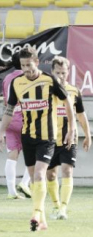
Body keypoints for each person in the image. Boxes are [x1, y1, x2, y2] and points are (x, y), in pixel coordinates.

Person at [0, 47, 75, 231]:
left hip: (47, 137)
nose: (26, 69)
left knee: (40, 174)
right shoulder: (17, 83)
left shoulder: (49, 80)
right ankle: (41, 219)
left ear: (37, 62)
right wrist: (1, 130)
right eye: (23, 65)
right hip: (28, 136)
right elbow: (9, 110)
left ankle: (35, 214)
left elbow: (67, 103)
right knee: (34, 178)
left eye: (29, 65)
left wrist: (72, 129)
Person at [46, 56, 92, 220]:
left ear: (68, 72)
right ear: (52, 72)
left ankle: (63, 208)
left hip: (69, 139)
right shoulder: (46, 91)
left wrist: (88, 134)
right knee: (51, 175)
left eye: (63, 73)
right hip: (49, 140)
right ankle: (56, 205)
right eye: (57, 73)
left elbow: (81, 114)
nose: (60, 76)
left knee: (67, 170)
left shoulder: (74, 91)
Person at [2, 52, 31, 199]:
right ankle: (25, 183)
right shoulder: (27, 77)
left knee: (12, 155)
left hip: (9, 117)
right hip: (24, 117)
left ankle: (11, 192)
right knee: (37, 152)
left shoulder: (7, 77)